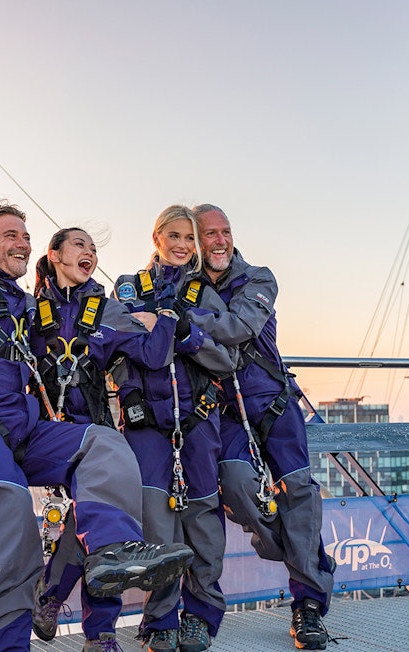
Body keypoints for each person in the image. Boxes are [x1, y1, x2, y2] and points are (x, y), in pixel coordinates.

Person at [0, 76, 193, 652]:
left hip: (21, 427)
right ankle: (3, 645)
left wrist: (149, 322)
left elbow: (95, 339)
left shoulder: (25, 307)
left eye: (27, 237)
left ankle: (111, 553)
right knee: (8, 507)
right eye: (10, 234)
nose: (21, 243)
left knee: (103, 446)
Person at [188, 204, 335, 651]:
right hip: (225, 410)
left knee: (299, 496)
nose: (220, 241)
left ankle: (308, 605)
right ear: (193, 241)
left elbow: (239, 327)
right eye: (209, 234)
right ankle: (290, 546)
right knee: (233, 483)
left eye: (225, 232)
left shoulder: (259, 278)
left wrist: (180, 321)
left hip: (272, 402)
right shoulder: (182, 283)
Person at [28, 227, 183, 651]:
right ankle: (60, 604)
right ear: (55, 254)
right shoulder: (28, 309)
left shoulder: (109, 310)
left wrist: (164, 319)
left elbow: (153, 356)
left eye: (94, 249)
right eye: (79, 245)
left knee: (97, 525)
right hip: (46, 433)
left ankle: (94, 630)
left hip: (94, 434)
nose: (90, 252)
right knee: (96, 526)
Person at [112, 205, 237, 652]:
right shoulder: (129, 288)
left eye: (190, 238)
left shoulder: (205, 294)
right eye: (175, 235)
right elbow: (117, 353)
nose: (183, 245)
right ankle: (161, 616)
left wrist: (184, 333)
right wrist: (129, 400)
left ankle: (200, 615)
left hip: (198, 419)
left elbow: (228, 359)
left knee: (202, 519)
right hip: (146, 421)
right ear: (156, 237)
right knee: (156, 523)